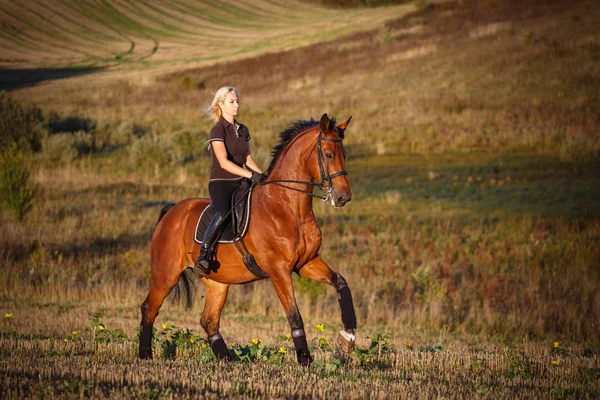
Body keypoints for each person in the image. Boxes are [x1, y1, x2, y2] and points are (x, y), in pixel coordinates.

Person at [195, 86, 263, 271]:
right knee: (225, 213)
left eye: (238, 101)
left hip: (240, 181)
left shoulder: (243, 129)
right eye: (232, 102)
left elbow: (247, 158)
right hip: (221, 183)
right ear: (221, 105)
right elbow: (224, 163)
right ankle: (204, 253)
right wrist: (250, 175)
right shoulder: (217, 130)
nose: (236, 105)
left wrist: (263, 176)